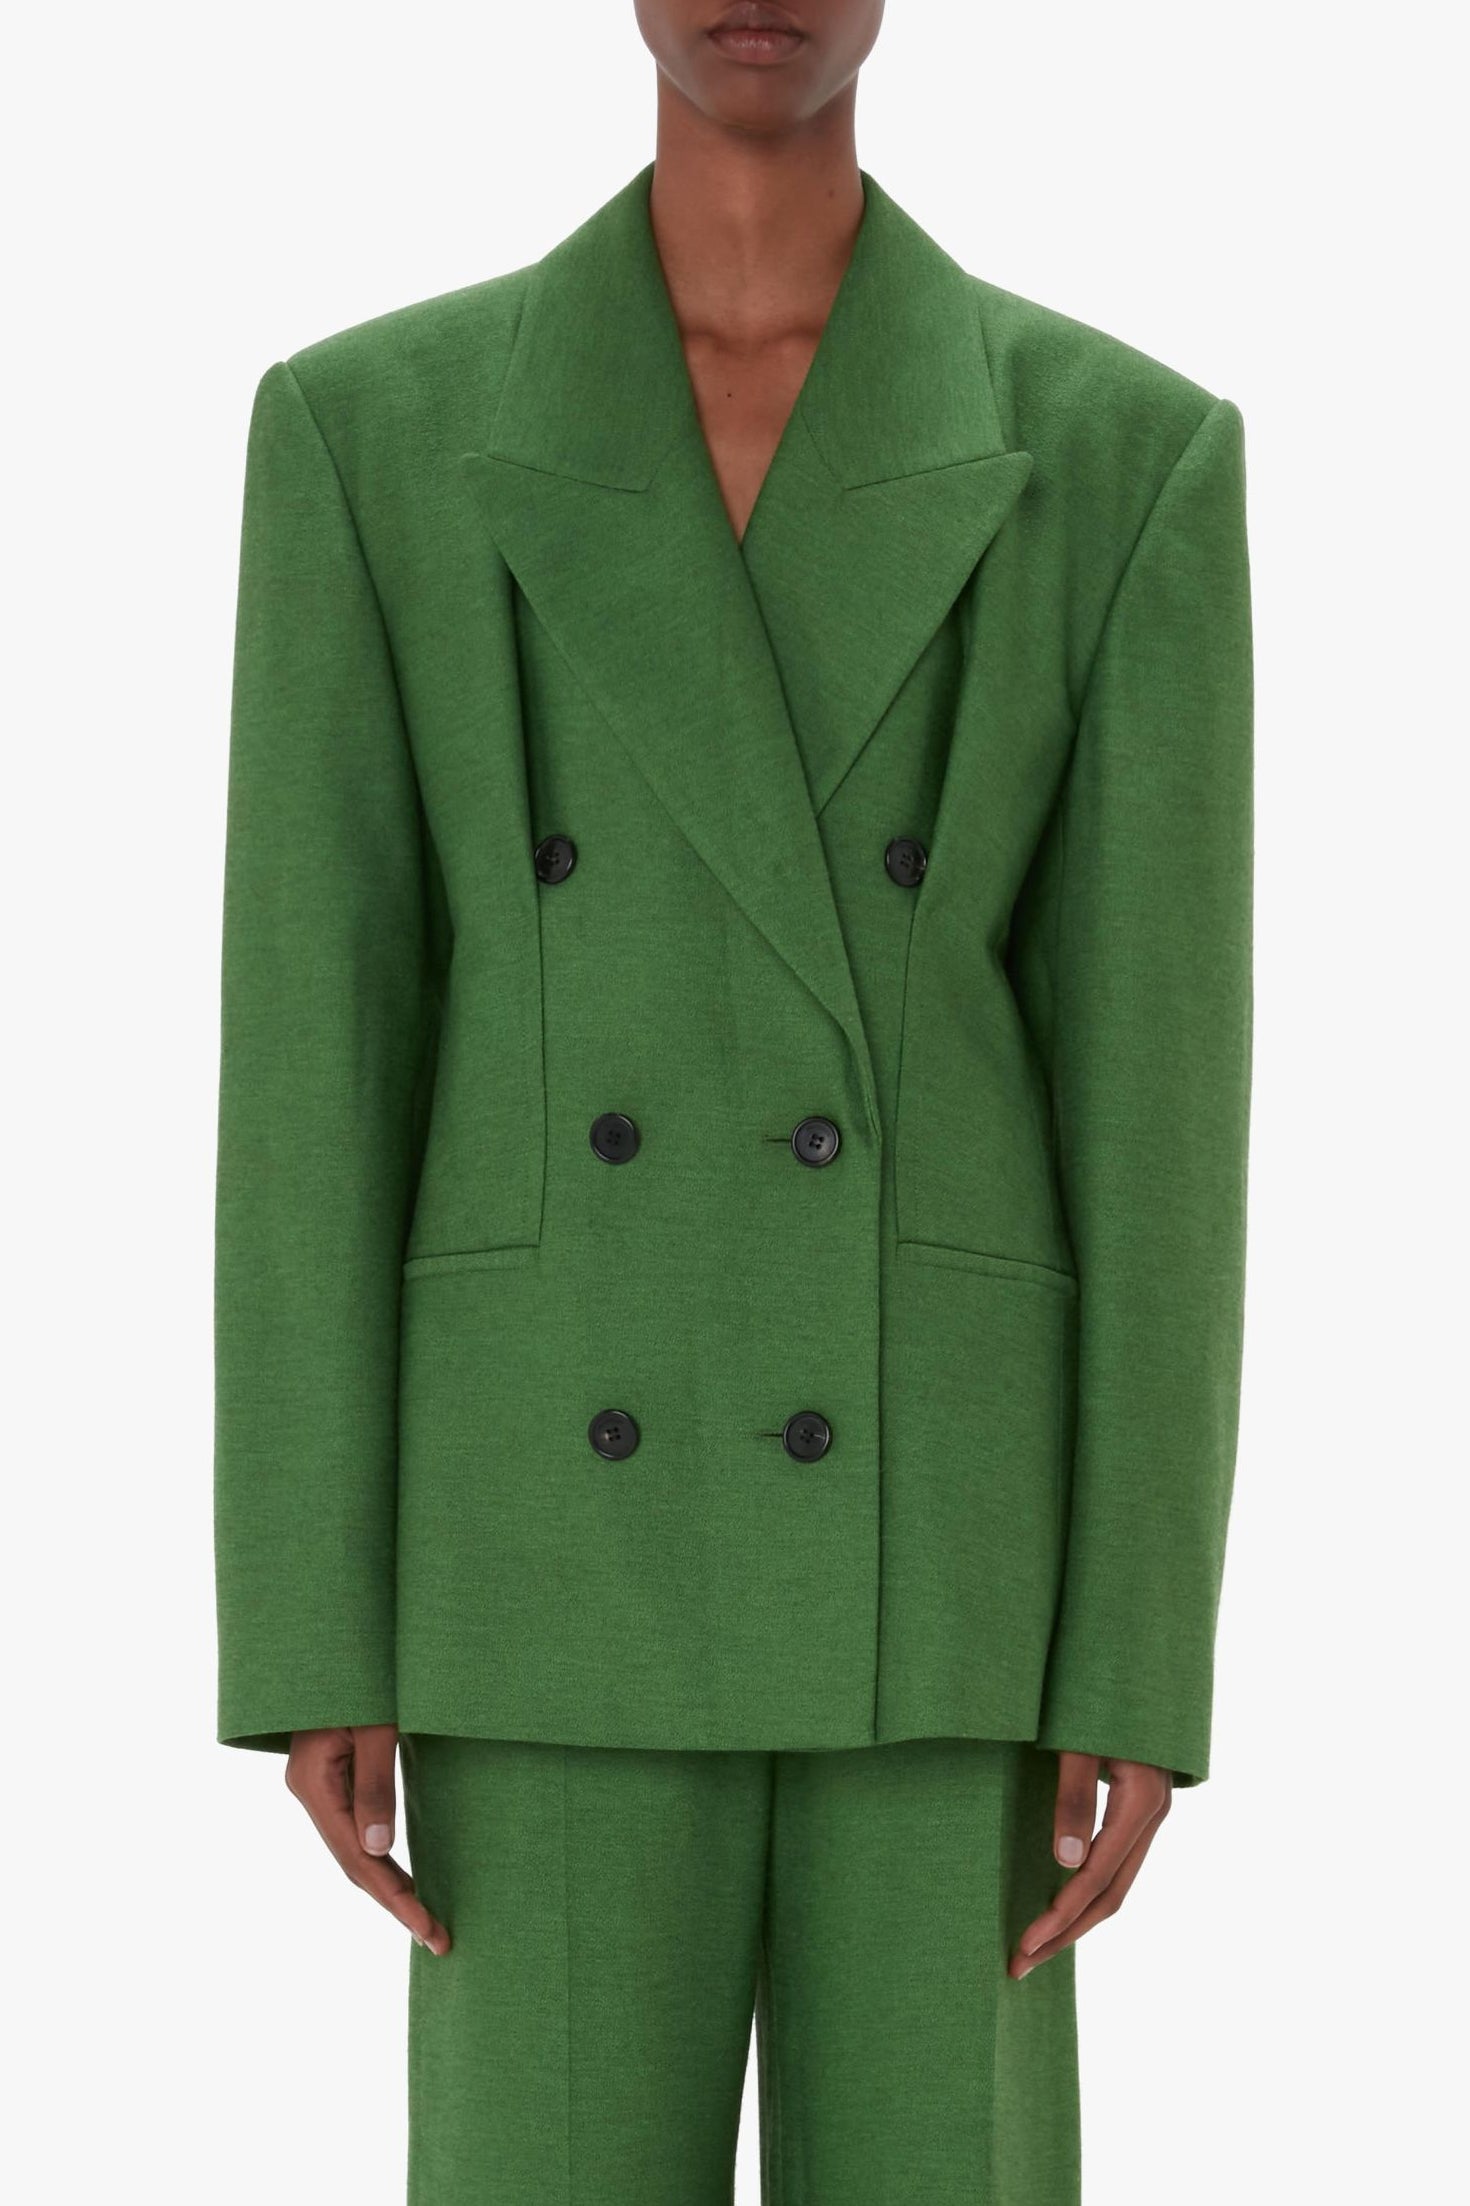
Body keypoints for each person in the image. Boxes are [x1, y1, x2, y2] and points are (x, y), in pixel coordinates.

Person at [213, 1, 1253, 2197]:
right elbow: (314, 1059)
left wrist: (1136, 1642)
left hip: (944, 1551)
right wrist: (312, 1617)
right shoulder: (367, 435)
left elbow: (1162, 1111)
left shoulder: (1122, 454)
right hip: (539, 1550)